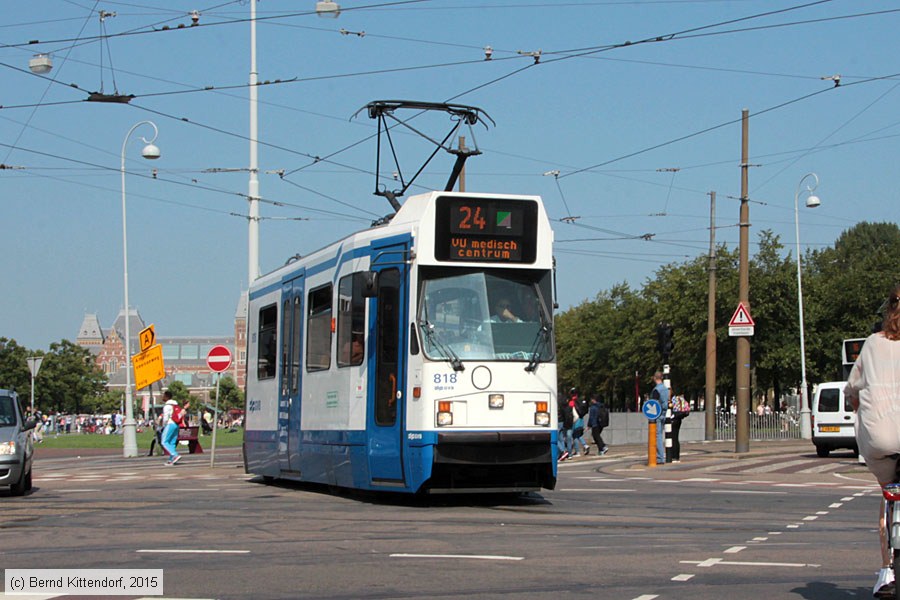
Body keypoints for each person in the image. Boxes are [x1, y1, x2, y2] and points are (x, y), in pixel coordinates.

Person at [844, 285, 900, 597]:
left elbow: (852, 387)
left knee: (889, 494)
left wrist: (855, 403)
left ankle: (887, 570)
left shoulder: (872, 343)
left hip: (880, 440)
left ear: (888, 311)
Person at [161, 391, 190, 466]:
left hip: (170, 424)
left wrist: (163, 425)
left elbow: (165, 418)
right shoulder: (176, 405)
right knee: (172, 442)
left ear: (166, 397)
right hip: (176, 424)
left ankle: (174, 455)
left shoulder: (167, 406)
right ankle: (171, 459)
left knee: (164, 441)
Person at [649, 371, 669, 464]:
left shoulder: (656, 390)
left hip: (657, 414)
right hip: (664, 413)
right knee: (660, 434)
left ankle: (660, 457)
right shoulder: (665, 389)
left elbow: (654, 404)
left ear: (654, 378)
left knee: (657, 436)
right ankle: (660, 457)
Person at [670, 392, 689, 463]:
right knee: (675, 437)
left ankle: (673, 456)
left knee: (672, 437)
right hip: (679, 418)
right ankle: (676, 457)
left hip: (673, 418)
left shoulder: (672, 399)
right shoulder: (680, 399)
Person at [557, 393, 574, 461]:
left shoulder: (559, 406)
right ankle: (569, 454)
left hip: (559, 422)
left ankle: (563, 451)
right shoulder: (569, 407)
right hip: (568, 424)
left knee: (557, 439)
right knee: (567, 439)